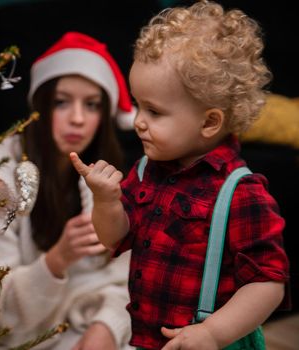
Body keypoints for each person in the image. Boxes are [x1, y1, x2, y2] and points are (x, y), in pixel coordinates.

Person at [70, 2, 290, 349]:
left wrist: (213, 332)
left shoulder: (241, 193)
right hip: (148, 339)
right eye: (138, 105)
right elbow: (113, 237)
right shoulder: (146, 171)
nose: (138, 121)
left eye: (154, 111)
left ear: (209, 122)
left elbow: (269, 283)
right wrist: (105, 200)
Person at [0, 32, 136, 349]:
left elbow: (127, 277)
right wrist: (57, 259)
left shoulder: (103, 174)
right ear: (40, 106)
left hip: (77, 321)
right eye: (61, 102)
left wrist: (106, 328)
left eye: (92, 105)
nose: (77, 119)